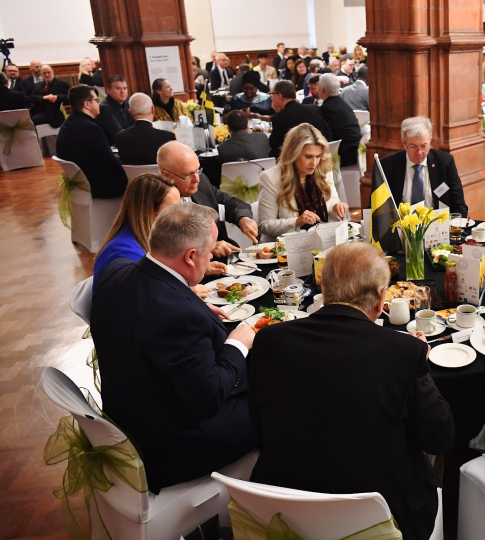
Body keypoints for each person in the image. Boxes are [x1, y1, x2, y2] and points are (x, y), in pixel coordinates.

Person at [247, 241, 454, 540]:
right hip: (380, 521)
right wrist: (420, 363)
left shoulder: (268, 342)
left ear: (323, 287)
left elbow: (259, 433)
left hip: (288, 514)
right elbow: (440, 437)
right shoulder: (403, 353)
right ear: (382, 298)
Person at [91, 202, 256, 494]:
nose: (209, 258)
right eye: (208, 251)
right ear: (191, 256)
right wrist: (237, 344)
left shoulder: (117, 271)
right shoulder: (178, 316)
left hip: (132, 411)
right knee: (279, 401)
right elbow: (210, 397)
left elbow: (151, 312)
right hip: (173, 445)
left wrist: (194, 303)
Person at [92, 174, 217, 296]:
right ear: (148, 212)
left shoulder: (140, 239)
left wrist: (200, 266)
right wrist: (188, 291)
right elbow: (149, 297)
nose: (181, 215)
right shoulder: (126, 253)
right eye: (173, 209)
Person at [158, 141, 257, 255]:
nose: (196, 179)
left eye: (198, 171)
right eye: (188, 174)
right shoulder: (157, 202)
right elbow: (166, 249)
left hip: (226, 259)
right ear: (166, 175)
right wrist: (207, 248)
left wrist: (243, 219)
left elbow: (233, 204)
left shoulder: (201, 182)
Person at [258, 123, 348, 240]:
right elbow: (264, 225)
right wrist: (297, 221)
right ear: (293, 154)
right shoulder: (271, 178)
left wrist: (337, 208)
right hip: (286, 248)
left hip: (321, 240)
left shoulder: (323, 170)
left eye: (318, 156)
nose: (314, 163)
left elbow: (331, 204)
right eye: (308, 157)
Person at [374, 116, 468, 217]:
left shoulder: (444, 162)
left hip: (438, 227)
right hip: (402, 228)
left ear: (430, 141)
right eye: (413, 147)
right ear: (404, 143)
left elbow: (460, 207)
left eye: (424, 146)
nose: (419, 153)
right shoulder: (388, 166)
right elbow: (376, 209)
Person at [56, 85, 128, 200]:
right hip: (99, 186)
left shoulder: (68, 124)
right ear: (87, 104)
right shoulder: (89, 128)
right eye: (96, 100)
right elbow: (110, 163)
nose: (99, 104)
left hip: (82, 184)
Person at [268, 80, 331, 159]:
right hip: (319, 156)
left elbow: (273, 144)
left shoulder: (279, 117)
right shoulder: (314, 108)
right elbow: (327, 134)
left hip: (296, 160)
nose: (271, 98)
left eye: (272, 94)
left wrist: (278, 113)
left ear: (280, 96)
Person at [114, 93, 176, 165]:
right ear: (153, 109)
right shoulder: (167, 137)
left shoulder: (119, 138)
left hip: (131, 176)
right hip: (158, 176)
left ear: (130, 112)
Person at [318, 73, 362, 167]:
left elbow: (326, 134)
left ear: (322, 89)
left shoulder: (327, 108)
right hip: (353, 148)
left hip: (345, 153)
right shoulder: (340, 102)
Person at [94, 75, 134, 145]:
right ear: (108, 90)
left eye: (125, 88)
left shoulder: (129, 103)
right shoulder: (104, 108)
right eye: (118, 88)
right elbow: (119, 134)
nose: (122, 92)